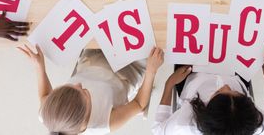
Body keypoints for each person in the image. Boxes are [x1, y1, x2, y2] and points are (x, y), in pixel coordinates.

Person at [18, 43, 164, 134]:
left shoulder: (49, 113)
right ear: (86, 113)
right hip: (128, 69)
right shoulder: (104, 123)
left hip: (91, 58)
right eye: (83, 92)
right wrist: (151, 70)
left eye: (71, 87)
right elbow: (139, 105)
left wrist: (39, 67)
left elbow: (44, 95)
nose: (79, 84)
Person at [152, 55, 264, 135]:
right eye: (236, 93)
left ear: (204, 112)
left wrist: (169, 84)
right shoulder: (259, 125)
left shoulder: (183, 126)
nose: (225, 87)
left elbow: (158, 129)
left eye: (218, 93)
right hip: (236, 74)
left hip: (192, 74)